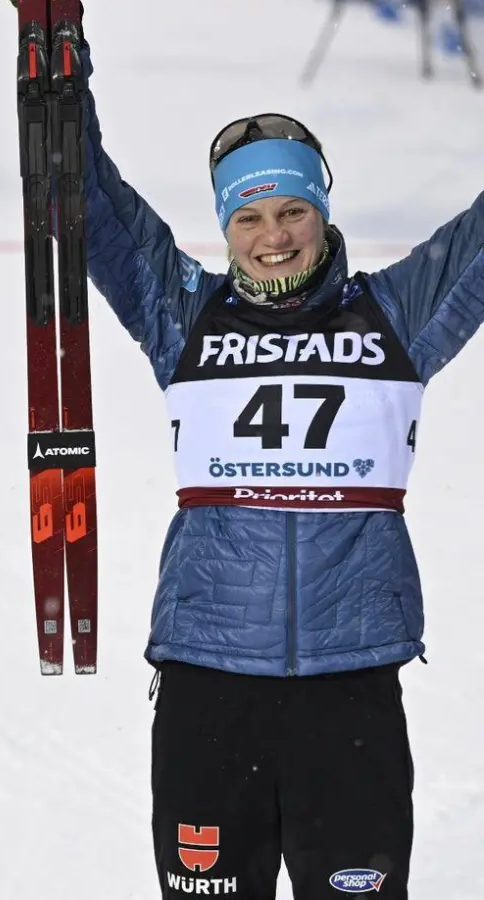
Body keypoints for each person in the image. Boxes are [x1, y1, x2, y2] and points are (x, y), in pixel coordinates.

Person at [67, 10, 484, 900]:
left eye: (293, 209)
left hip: (350, 687)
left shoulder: (394, 315)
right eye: (250, 215)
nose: (274, 234)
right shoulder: (183, 313)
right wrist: (61, 66)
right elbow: (85, 196)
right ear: (226, 226)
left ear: (322, 210)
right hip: (208, 683)